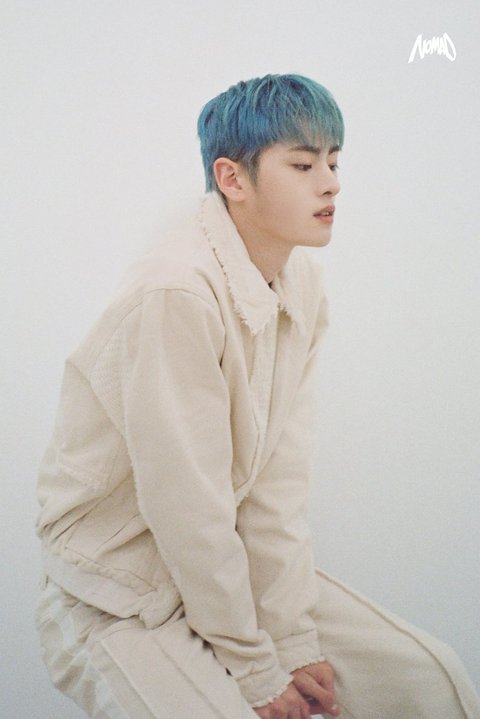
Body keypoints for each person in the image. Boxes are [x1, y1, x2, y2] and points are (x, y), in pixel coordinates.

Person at [35, 74, 480, 719]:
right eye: (302, 165)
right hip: (118, 589)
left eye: (333, 162)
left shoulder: (302, 284)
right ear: (232, 179)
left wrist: (292, 641)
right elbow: (186, 503)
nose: (330, 183)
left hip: (222, 567)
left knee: (428, 679)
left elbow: (277, 483)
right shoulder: (175, 294)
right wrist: (255, 668)